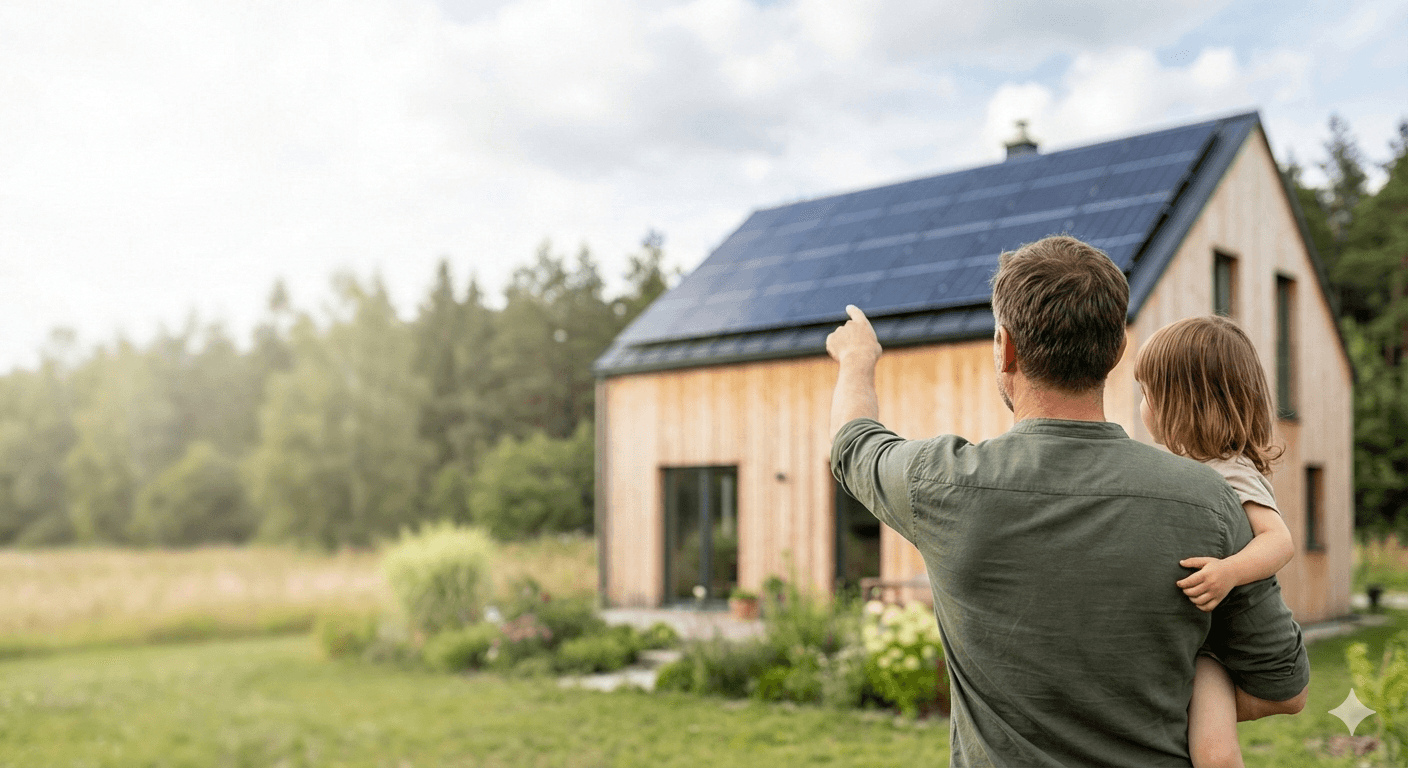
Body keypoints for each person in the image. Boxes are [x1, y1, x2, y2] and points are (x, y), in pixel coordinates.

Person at [828, 235, 1308, 767]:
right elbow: (1284, 688)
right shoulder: (1213, 501)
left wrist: (857, 360)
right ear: (1117, 352)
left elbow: (852, 446)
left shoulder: (939, 483)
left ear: (1005, 346)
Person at [1136, 315, 1296, 768]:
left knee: (1214, 754)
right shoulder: (1193, 470)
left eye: (1147, 393)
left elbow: (1279, 541)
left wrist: (1229, 572)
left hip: (1222, 653)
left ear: (1183, 403)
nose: (1142, 406)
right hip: (1209, 641)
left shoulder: (1229, 470)